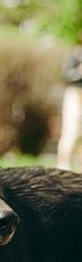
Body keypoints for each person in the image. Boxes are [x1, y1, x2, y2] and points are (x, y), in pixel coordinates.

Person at [57, 32, 82, 170]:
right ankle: (63, 167)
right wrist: (79, 72)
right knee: (70, 132)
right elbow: (66, 75)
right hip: (75, 96)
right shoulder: (75, 56)